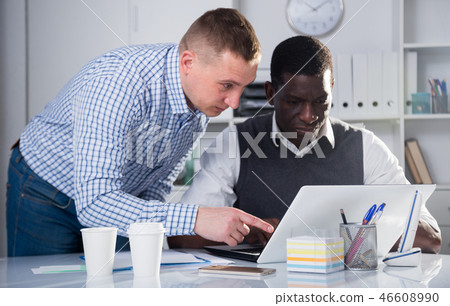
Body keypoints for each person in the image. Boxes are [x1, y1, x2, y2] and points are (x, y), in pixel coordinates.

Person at [6, 8, 274, 257]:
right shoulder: (118, 83)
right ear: (188, 62)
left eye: (242, 87)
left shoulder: (201, 106)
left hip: (117, 199)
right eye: (227, 85)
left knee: (124, 285)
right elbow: (94, 204)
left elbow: (156, 182)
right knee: (47, 290)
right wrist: (195, 219)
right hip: (47, 190)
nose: (234, 103)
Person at [169, 35, 442, 254]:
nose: (309, 115)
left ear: (332, 89)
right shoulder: (235, 143)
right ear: (271, 94)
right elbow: (180, 235)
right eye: (294, 102)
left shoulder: (365, 147)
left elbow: (430, 238)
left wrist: (348, 233)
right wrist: (250, 231)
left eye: (321, 101)